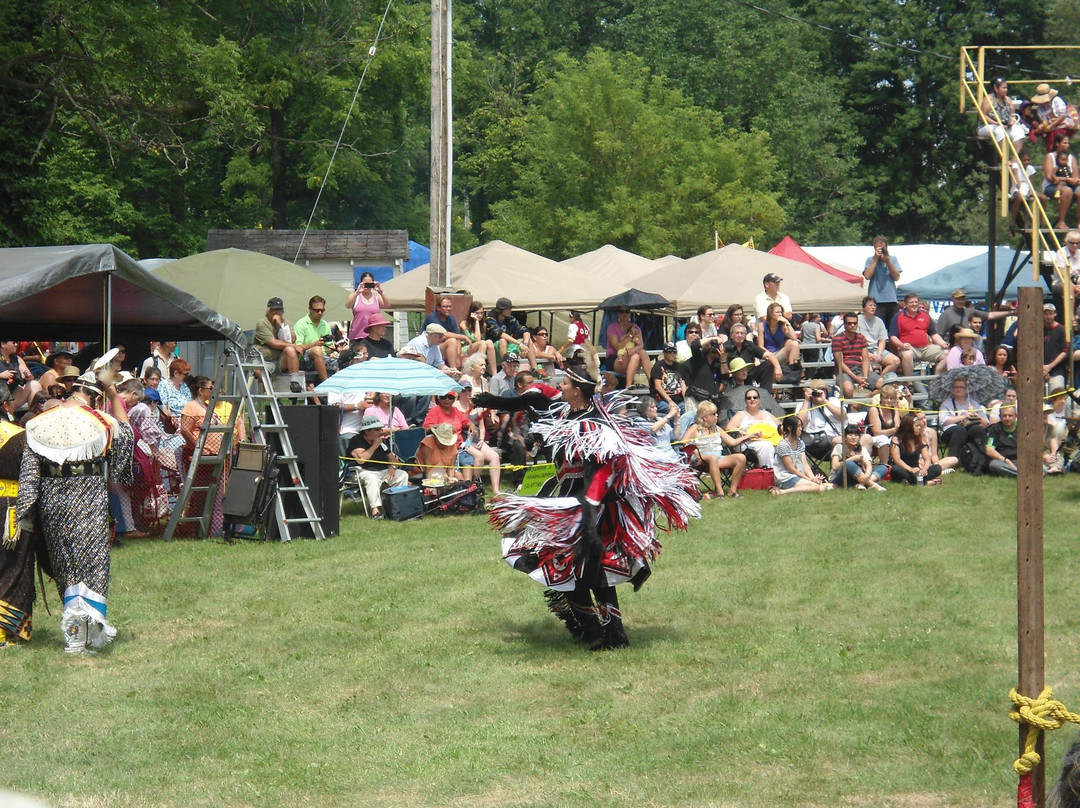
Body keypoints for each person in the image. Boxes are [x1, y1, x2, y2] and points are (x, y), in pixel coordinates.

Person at [488, 353, 699, 651]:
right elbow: (537, 394)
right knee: (562, 566)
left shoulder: (595, 424)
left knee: (594, 573)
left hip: (592, 505)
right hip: (568, 497)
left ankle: (614, 635)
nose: (560, 386)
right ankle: (588, 628)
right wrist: (499, 403)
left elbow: (604, 468)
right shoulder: (565, 411)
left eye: (565, 383)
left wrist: (589, 509)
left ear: (577, 389)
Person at [17, 369, 134, 654]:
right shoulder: (101, 421)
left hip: (53, 504)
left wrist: (26, 514)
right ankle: (88, 634)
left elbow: (30, 476)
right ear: (94, 397)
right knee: (93, 567)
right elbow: (125, 444)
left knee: (65, 565)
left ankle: (74, 636)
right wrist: (114, 394)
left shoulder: (38, 423)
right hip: (90, 501)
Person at [177, 375, 226, 537]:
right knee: (200, 497)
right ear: (201, 390)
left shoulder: (206, 407)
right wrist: (200, 447)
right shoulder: (191, 407)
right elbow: (185, 429)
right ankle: (195, 530)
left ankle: (214, 530)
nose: (213, 391)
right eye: (210, 388)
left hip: (213, 457)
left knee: (215, 496)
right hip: (198, 457)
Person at [0, 407, 32, 644]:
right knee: (14, 566)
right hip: (12, 506)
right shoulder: (18, 436)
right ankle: (7, 631)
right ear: (5, 406)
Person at [681, 400, 747, 499]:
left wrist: (748, 436)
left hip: (718, 457)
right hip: (700, 459)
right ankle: (720, 492)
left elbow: (732, 442)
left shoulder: (717, 428)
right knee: (712, 458)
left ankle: (733, 490)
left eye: (716, 413)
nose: (717, 416)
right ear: (705, 417)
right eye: (713, 414)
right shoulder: (695, 428)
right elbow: (683, 443)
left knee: (741, 457)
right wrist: (694, 450)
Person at [347, 414, 408, 519]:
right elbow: (361, 460)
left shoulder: (381, 442)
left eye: (381, 429)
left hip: (382, 470)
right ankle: (376, 510)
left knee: (402, 474)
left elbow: (393, 458)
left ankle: (398, 505)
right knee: (372, 478)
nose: (380, 432)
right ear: (367, 431)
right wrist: (374, 446)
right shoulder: (356, 440)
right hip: (362, 471)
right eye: (377, 430)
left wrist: (392, 468)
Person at [889, 411, 957, 485]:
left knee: (937, 468)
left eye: (919, 426)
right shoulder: (896, 439)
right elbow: (896, 459)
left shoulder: (919, 439)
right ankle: (925, 482)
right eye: (916, 426)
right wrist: (910, 469)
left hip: (917, 470)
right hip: (905, 468)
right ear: (908, 427)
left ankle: (913, 482)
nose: (919, 428)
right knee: (896, 469)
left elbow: (927, 459)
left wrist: (925, 468)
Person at [253, 297, 303, 394]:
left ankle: (294, 381)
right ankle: (270, 398)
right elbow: (274, 343)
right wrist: (293, 346)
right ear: (268, 311)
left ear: (283, 311)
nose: (276, 313)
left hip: (280, 361)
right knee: (260, 373)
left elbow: (291, 340)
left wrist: (280, 325)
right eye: (274, 310)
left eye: (279, 310)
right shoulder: (262, 323)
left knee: (290, 350)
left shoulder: (287, 323)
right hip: (264, 361)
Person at [888, 293, 948, 374]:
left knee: (947, 353)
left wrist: (942, 343)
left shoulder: (925, 315)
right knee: (907, 355)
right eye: (911, 302)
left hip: (926, 347)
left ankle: (937, 378)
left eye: (916, 302)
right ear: (906, 304)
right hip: (909, 348)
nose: (914, 304)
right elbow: (893, 337)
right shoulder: (898, 317)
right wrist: (901, 345)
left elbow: (933, 334)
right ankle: (909, 383)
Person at [770, 415, 830, 495]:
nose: (801, 428)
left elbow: (805, 464)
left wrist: (813, 478)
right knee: (816, 487)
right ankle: (782, 491)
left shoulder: (800, 442)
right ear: (789, 428)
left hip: (798, 476)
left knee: (822, 488)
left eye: (801, 426)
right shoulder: (783, 445)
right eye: (798, 426)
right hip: (786, 477)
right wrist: (809, 479)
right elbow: (791, 469)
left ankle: (787, 490)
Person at [725, 387, 781, 470]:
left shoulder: (766, 414)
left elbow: (781, 426)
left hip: (772, 440)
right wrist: (745, 433)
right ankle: (769, 473)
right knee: (766, 446)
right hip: (748, 443)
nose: (752, 399)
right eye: (749, 398)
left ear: (759, 400)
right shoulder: (741, 415)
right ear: (745, 401)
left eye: (755, 397)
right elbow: (729, 428)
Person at [937, 375, 989, 464]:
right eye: (956, 387)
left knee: (977, 429)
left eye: (961, 387)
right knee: (960, 430)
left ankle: (983, 459)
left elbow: (986, 423)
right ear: (952, 389)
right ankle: (952, 461)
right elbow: (943, 421)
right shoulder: (947, 404)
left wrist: (976, 415)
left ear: (966, 390)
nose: (959, 389)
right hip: (950, 432)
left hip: (968, 430)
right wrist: (963, 416)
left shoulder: (973, 403)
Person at [832, 312, 880, 399]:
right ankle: (850, 408)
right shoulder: (837, 339)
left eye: (855, 323)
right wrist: (856, 378)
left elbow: (865, 359)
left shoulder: (861, 338)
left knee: (883, 384)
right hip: (844, 371)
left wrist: (865, 377)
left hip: (859, 369)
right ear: (845, 324)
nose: (852, 325)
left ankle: (862, 402)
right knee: (848, 389)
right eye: (849, 323)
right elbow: (840, 363)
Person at [293, 295, 340, 382]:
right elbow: (298, 348)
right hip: (304, 359)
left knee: (345, 360)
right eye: (317, 310)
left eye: (322, 310)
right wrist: (314, 344)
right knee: (317, 350)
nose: (320, 313)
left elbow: (327, 349)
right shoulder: (301, 324)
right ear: (310, 309)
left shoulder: (325, 325)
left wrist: (336, 349)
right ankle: (325, 383)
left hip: (323, 357)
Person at [977, 76, 1027, 152]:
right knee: (999, 130)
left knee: (1018, 130)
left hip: (1005, 126)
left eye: (1006, 88)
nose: (1006, 90)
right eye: (1003, 88)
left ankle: (1015, 161)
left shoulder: (1008, 99)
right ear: (996, 88)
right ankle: (1005, 160)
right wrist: (996, 123)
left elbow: (1013, 114)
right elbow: (982, 115)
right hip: (986, 126)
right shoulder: (989, 99)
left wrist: (1012, 120)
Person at [605, 306, 652, 387]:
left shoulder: (636, 328)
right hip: (616, 358)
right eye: (621, 312)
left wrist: (634, 349)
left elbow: (641, 345)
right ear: (617, 314)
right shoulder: (611, 328)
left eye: (627, 311)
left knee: (642, 353)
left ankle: (652, 382)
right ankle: (629, 384)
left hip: (632, 356)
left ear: (630, 313)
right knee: (636, 356)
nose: (624, 314)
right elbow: (617, 347)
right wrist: (630, 335)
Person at [830, 424, 887, 490]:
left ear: (859, 437)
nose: (853, 437)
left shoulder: (861, 449)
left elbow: (868, 464)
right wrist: (852, 459)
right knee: (849, 464)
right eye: (850, 435)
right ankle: (873, 485)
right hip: (841, 478)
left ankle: (862, 483)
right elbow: (834, 466)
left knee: (883, 467)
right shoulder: (839, 447)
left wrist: (867, 475)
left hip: (857, 477)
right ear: (845, 437)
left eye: (856, 435)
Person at [424, 296, 473, 371]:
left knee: (466, 360)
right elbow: (443, 334)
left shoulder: (451, 318)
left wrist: (458, 357)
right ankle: (453, 370)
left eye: (450, 306)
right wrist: (464, 337)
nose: (448, 309)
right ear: (438, 308)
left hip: (445, 349)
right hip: (430, 348)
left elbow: (457, 338)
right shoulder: (432, 317)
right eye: (446, 307)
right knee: (452, 341)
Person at [857, 296, 902, 377]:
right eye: (870, 305)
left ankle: (881, 378)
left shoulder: (879, 321)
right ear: (864, 307)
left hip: (875, 349)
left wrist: (880, 353)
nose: (872, 307)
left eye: (874, 305)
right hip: (861, 350)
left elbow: (882, 340)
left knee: (896, 361)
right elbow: (856, 340)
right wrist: (866, 353)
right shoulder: (857, 320)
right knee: (868, 368)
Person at [863, 237, 902, 328]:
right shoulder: (870, 260)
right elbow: (867, 276)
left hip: (891, 300)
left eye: (883, 248)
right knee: (877, 327)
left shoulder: (893, 259)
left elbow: (896, 277)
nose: (881, 250)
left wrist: (888, 261)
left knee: (893, 327)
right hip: (876, 301)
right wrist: (876, 259)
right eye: (878, 248)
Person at [1008, 148, 1046, 237]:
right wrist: (1018, 183)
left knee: (1043, 198)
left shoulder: (1030, 168)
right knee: (1019, 196)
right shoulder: (1016, 166)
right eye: (1024, 160)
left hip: (1027, 187)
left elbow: (1031, 182)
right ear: (1020, 160)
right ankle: (1012, 223)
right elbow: (1016, 176)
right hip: (1017, 188)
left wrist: (1031, 190)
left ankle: (1040, 222)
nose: (1026, 162)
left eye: (1028, 160)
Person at [1043, 134, 1079, 231]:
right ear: (1057, 144)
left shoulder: (1071, 158)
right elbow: (1050, 177)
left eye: (1068, 143)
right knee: (1067, 191)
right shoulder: (1050, 157)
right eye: (1064, 143)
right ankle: (1061, 221)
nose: (1067, 145)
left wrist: (1075, 180)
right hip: (1052, 186)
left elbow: (1075, 175)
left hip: (1070, 185)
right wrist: (1067, 180)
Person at [1030, 83, 1076, 152]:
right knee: (1049, 137)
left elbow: (1063, 115)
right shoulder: (1040, 108)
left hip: (1064, 125)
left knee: (1057, 135)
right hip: (1051, 128)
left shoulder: (1056, 100)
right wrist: (1042, 126)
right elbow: (1044, 121)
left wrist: (1052, 125)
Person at [346, 271, 390, 342]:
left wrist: (380, 291)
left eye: (370, 284)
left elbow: (387, 305)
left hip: (373, 335)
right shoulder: (356, 296)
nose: (367, 286)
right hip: (357, 336)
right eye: (365, 284)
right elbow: (348, 305)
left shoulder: (376, 297)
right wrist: (357, 291)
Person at [867, 383, 904, 464]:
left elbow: (897, 426)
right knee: (883, 439)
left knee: (901, 438)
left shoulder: (894, 409)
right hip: (874, 437)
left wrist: (897, 410)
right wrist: (893, 430)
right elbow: (876, 432)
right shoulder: (874, 409)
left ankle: (900, 463)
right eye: (886, 398)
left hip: (890, 436)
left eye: (892, 398)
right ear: (881, 398)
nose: (889, 400)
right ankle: (885, 465)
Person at [757, 302, 800, 372]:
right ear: (771, 314)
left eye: (781, 312)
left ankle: (792, 371)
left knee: (794, 343)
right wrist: (770, 355)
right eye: (777, 312)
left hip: (779, 353)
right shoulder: (762, 325)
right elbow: (760, 346)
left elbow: (794, 338)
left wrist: (787, 323)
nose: (780, 314)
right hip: (768, 355)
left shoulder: (782, 325)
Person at [0, 341, 43, 412]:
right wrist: (1, 375)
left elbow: (28, 375)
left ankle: (33, 415)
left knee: (34, 384)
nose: (16, 345)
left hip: (12, 395)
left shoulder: (17, 359)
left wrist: (28, 377)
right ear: (3, 344)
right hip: (1, 395)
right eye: (13, 343)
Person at [650, 341, 687, 415]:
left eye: (674, 351)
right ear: (664, 353)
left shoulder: (680, 366)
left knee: (687, 408)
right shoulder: (658, 365)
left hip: (679, 400)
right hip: (662, 400)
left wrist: (686, 400)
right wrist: (670, 401)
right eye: (669, 352)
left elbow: (683, 384)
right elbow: (657, 386)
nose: (672, 354)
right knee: (671, 409)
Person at [460, 302, 498, 372]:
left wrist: (478, 323)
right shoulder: (464, 323)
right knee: (482, 343)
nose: (480, 315)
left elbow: (480, 340)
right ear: (472, 313)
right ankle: (478, 369)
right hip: (466, 348)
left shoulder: (483, 325)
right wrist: (476, 322)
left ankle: (494, 373)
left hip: (479, 347)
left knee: (489, 342)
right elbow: (477, 340)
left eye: (482, 313)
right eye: (477, 313)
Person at [984, 403, 1019, 477]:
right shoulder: (994, 428)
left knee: (1043, 468)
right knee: (994, 465)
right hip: (1003, 461)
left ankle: (1016, 473)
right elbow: (989, 449)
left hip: (1020, 460)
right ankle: (1022, 474)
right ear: (1000, 416)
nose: (1007, 418)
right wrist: (1006, 460)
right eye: (1004, 416)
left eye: (1010, 415)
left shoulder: (1022, 427)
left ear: (1016, 416)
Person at [1041, 303, 1069, 388]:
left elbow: (1064, 352)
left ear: (1055, 314)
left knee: (1058, 397)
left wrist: (1049, 367)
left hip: (1057, 371)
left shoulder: (1062, 329)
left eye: (1050, 313)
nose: (1048, 316)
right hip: (1039, 370)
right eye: (1046, 314)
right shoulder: (1038, 329)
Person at [1052, 230, 1080, 313]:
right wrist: (1074, 287)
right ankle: (1070, 317)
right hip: (1061, 282)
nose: (1074, 245)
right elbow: (1062, 273)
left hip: (1076, 281)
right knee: (1069, 287)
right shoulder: (1061, 252)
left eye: (1077, 243)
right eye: (1072, 243)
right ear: (1067, 242)